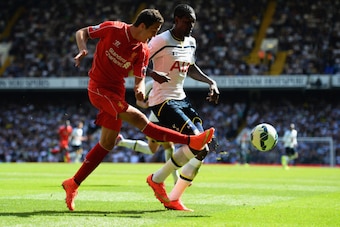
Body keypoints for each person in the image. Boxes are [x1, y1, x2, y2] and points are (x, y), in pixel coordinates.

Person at [61, 8, 215, 211]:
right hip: (98, 89)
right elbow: (82, 32)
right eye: (153, 30)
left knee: (107, 143)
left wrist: (140, 91)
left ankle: (72, 183)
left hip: (116, 93)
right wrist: (83, 49)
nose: (154, 34)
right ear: (142, 26)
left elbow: (140, 78)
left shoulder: (142, 50)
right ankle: (189, 140)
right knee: (142, 121)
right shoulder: (113, 28)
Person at [145, 4, 220, 211]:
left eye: (193, 23)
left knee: (202, 149)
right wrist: (152, 74)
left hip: (181, 98)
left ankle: (173, 197)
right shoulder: (161, 41)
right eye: (187, 22)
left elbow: (191, 67)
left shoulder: (191, 42)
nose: (191, 27)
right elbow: (139, 60)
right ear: (176, 19)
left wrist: (210, 82)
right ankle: (157, 179)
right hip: (162, 100)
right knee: (196, 143)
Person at [116, 80, 180, 183]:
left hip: (164, 120)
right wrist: (144, 104)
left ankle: (122, 142)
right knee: (169, 146)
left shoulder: (174, 81)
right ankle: (176, 178)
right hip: (157, 120)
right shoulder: (151, 84)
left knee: (152, 149)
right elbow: (139, 101)